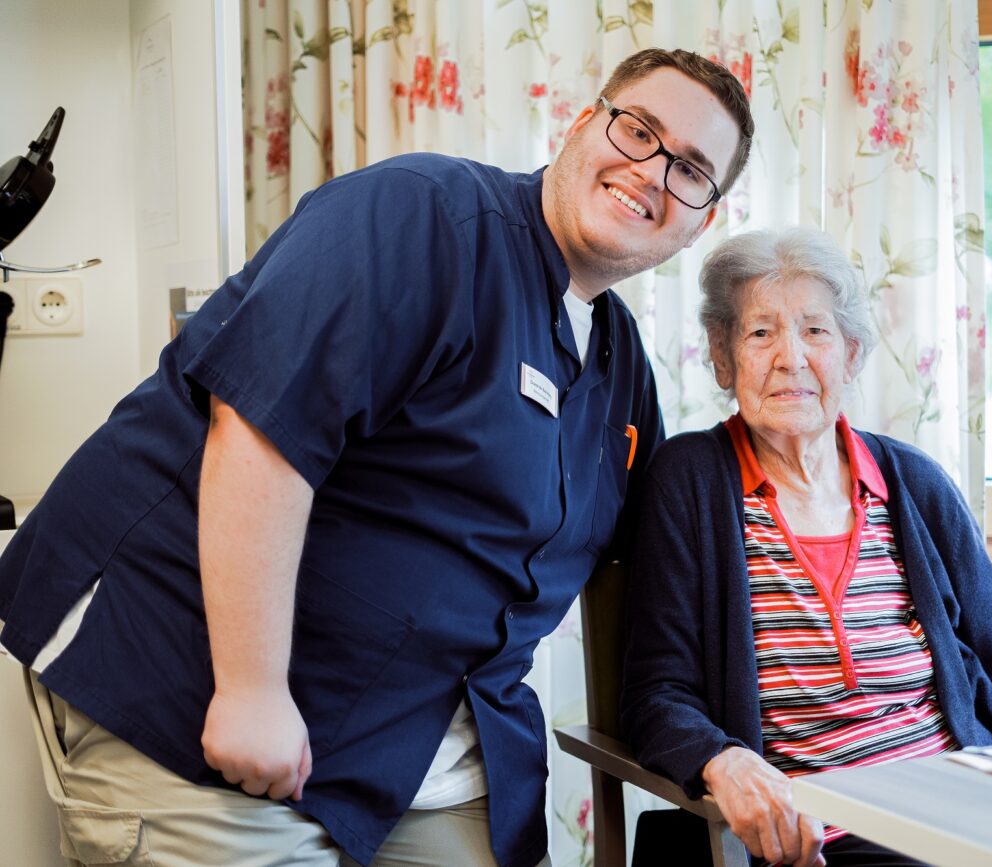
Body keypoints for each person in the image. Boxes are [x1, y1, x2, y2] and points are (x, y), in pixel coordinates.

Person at [0, 48, 754, 867]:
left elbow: (654, 555)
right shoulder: (423, 217)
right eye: (638, 130)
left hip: (418, 754)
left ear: (701, 221)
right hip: (199, 702)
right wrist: (251, 690)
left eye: (690, 170)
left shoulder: (618, 363)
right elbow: (260, 424)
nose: (652, 171)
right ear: (581, 124)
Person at [621, 227, 992, 867]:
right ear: (722, 356)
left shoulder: (913, 482)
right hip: (826, 839)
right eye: (761, 332)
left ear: (850, 355)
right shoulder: (689, 482)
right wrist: (724, 760)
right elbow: (656, 692)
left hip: (965, 808)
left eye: (815, 331)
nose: (791, 357)